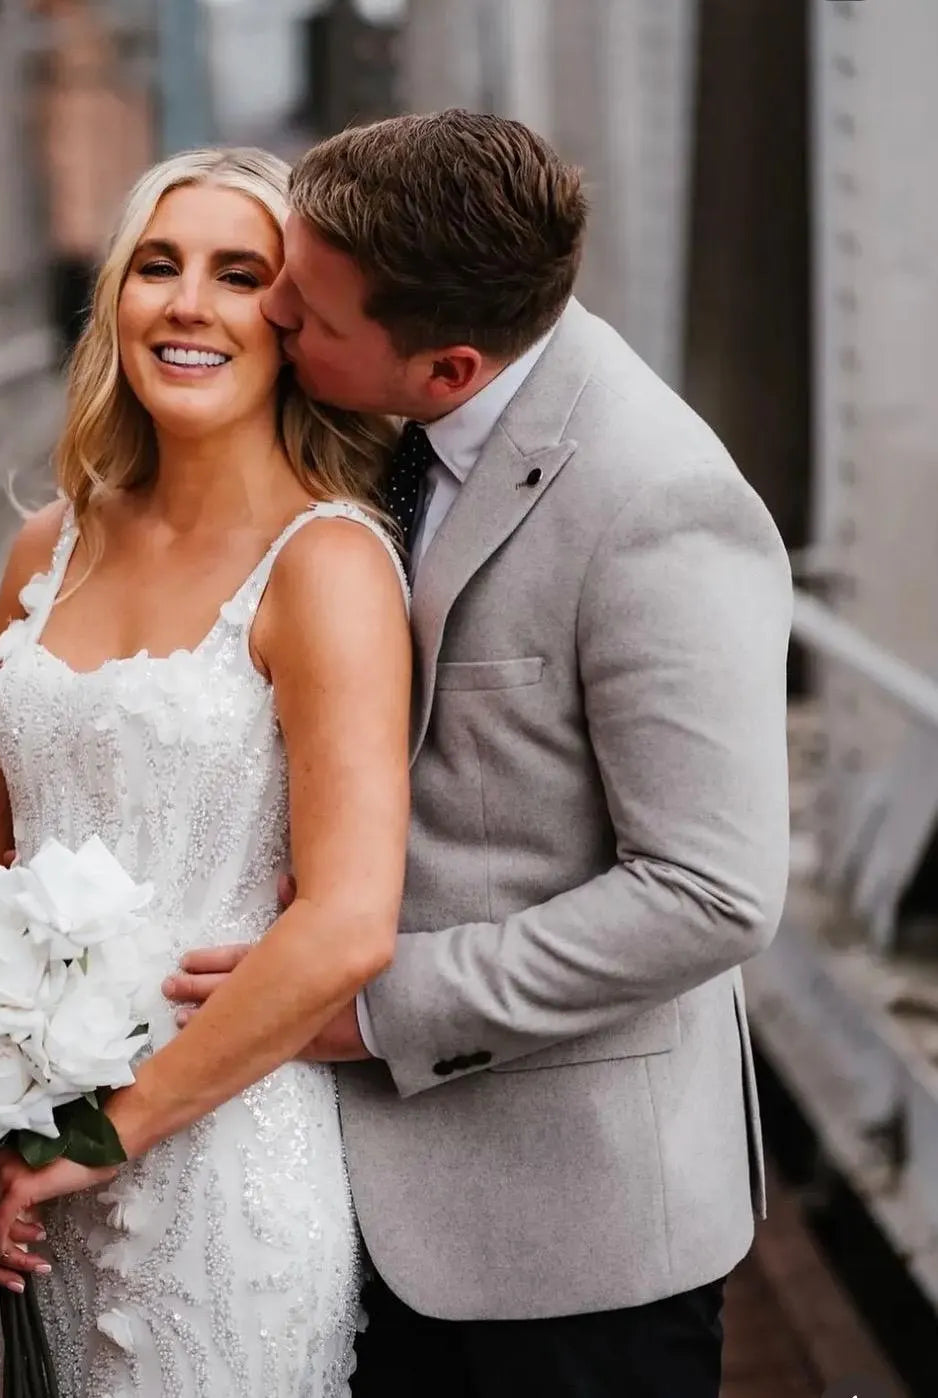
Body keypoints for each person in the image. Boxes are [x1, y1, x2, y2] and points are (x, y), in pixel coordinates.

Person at [165, 110, 793, 1397]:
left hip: (560, 1255)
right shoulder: (394, 407)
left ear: (446, 370)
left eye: (303, 311)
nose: (270, 313)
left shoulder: (655, 502)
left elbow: (712, 893)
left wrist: (375, 1007)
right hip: (327, 1208)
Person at [0, 147, 411, 1397]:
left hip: (221, 1155)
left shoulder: (329, 566)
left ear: (290, 322)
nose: (188, 303)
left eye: (239, 276)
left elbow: (348, 923)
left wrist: (100, 1138)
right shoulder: (49, 541)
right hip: (19, 1160)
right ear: (117, 302)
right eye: (158, 265)